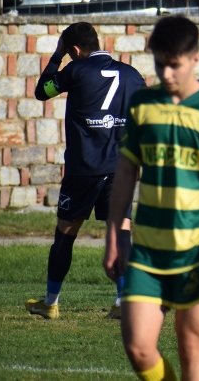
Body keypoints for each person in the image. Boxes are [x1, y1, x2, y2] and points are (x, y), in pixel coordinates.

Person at [103, 15, 199, 381]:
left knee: (191, 351)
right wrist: (114, 237)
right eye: (159, 64)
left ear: (195, 58)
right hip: (147, 253)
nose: (165, 73)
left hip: (196, 252)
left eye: (174, 65)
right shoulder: (142, 105)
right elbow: (124, 175)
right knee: (138, 347)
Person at [26, 21, 145, 320]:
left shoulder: (74, 71)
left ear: (74, 50)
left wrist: (56, 58)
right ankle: (123, 301)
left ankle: (51, 302)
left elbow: (42, 91)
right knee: (121, 232)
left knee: (65, 235)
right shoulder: (132, 75)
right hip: (121, 169)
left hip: (83, 169)